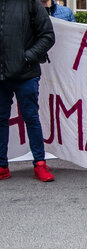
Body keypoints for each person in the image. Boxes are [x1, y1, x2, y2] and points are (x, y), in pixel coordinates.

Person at [0, 0, 55, 182]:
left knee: (31, 118)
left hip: (26, 74)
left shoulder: (29, 3)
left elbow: (47, 35)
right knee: (1, 120)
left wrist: (27, 57)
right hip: (2, 76)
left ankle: (40, 164)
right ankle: (2, 165)